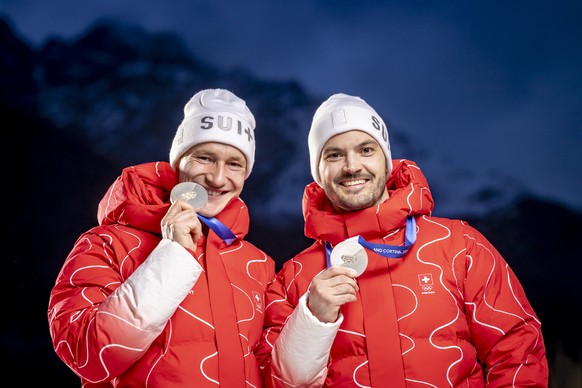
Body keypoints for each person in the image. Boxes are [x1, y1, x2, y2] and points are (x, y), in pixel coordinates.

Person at [256, 93, 548, 387]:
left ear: (387, 161)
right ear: (317, 173)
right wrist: (313, 319)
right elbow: (276, 382)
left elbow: (517, 349)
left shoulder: (459, 245)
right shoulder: (294, 277)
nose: (352, 166)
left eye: (366, 149)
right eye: (333, 155)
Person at [48, 88, 276, 387]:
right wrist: (173, 256)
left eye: (235, 163)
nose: (219, 178)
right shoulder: (106, 244)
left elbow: (271, 373)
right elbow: (87, 356)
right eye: (205, 158)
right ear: (179, 161)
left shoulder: (258, 264)